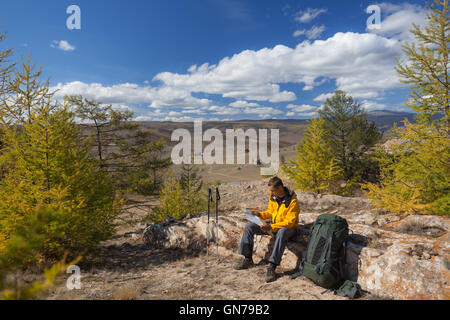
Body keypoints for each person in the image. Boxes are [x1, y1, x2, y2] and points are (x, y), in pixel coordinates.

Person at [234, 176, 300, 282]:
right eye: (271, 191)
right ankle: (248, 259)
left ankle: (272, 266)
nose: (272, 193)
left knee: (282, 232)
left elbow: (290, 222)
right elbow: (270, 212)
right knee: (249, 226)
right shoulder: (274, 198)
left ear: (280, 188)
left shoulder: (292, 201)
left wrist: (270, 227)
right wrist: (260, 214)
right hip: (274, 225)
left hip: (289, 228)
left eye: (273, 191)